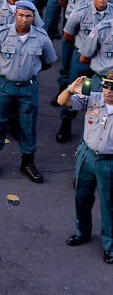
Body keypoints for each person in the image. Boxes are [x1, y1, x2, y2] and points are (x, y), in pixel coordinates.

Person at [0, 0, 57, 182]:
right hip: (5, 85)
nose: (24, 19)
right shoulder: (1, 34)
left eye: (28, 16)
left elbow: (48, 62)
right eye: (21, 15)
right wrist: (8, 71)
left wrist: (27, 72)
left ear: (34, 17)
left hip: (28, 87)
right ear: (15, 15)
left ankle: (27, 162)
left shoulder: (41, 37)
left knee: (28, 124)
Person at [56, 73, 113, 265]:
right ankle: (82, 232)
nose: (109, 92)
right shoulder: (93, 97)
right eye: (106, 86)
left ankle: (110, 245)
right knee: (82, 196)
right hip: (87, 155)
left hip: (109, 161)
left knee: (109, 205)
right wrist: (71, 88)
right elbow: (62, 101)